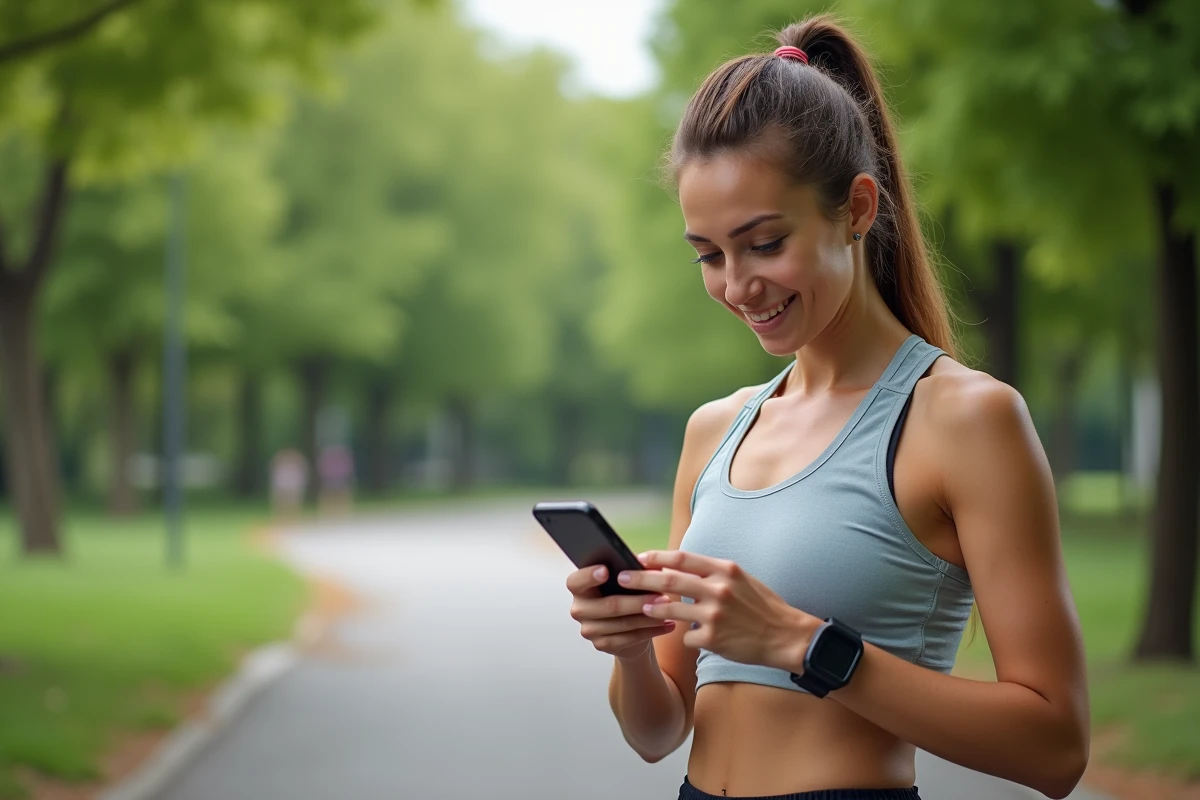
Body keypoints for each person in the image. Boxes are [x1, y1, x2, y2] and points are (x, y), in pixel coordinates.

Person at [565, 16, 1089, 800]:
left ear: (856, 209)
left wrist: (800, 643)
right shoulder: (715, 430)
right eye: (709, 254)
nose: (737, 285)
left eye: (764, 243)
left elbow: (1055, 748)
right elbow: (658, 732)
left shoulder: (966, 420)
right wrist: (631, 649)